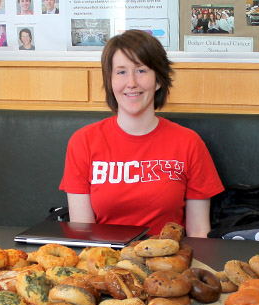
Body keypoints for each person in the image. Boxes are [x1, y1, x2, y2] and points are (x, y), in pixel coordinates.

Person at [60, 30, 224, 237]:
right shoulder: (83, 142)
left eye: (141, 70)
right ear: (110, 81)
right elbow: (83, 232)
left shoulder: (189, 143)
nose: (131, 83)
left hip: (169, 263)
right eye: (121, 72)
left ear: (158, 80)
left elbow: (199, 231)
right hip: (106, 261)